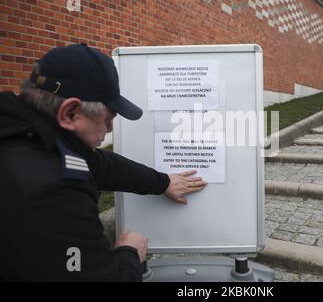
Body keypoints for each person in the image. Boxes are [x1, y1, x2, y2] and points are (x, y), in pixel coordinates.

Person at [0, 43, 208, 281]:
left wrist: (162, 182)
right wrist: (129, 253)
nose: (109, 129)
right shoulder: (54, 193)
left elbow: (98, 164)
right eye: (108, 119)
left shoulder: (20, 128)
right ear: (70, 113)